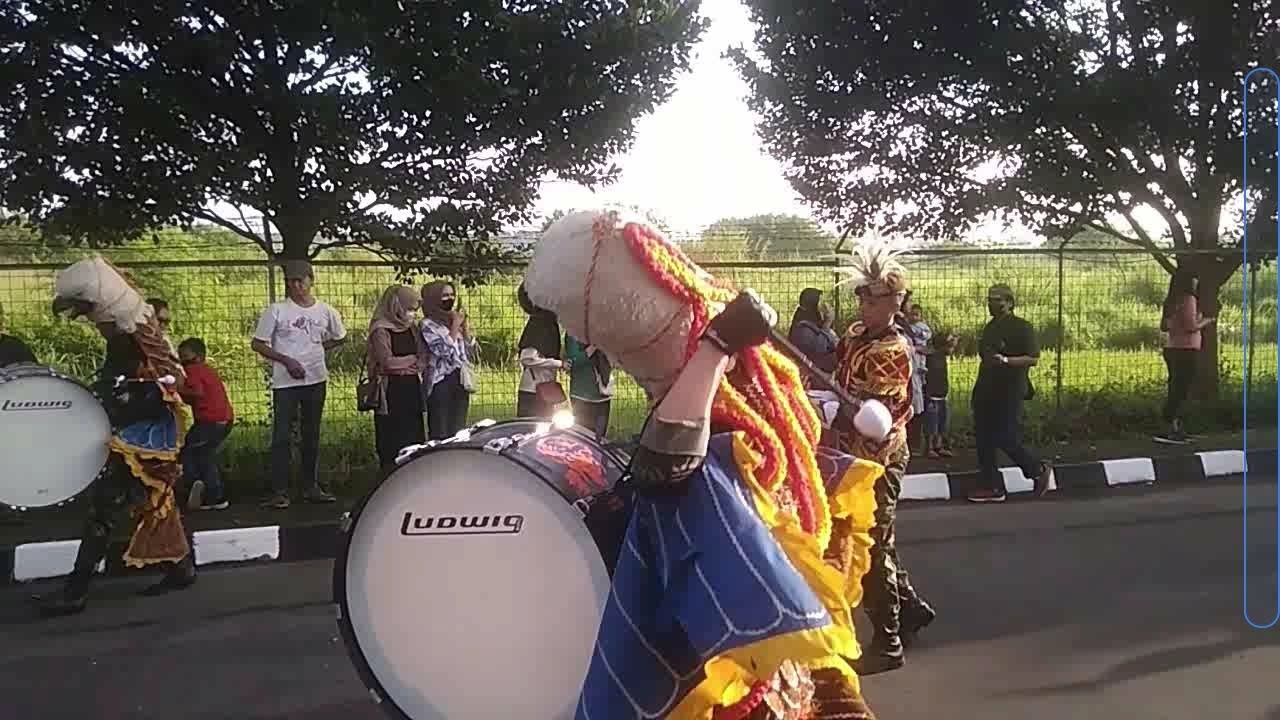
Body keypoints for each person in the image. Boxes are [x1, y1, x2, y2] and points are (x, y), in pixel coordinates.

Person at [526, 209, 883, 720]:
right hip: (748, 620)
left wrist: (716, 349)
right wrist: (715, 350)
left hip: (748, 636)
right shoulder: (714, 381)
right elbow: (666, 460)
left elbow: (666, 464)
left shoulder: (727, 394)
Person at [37, 256, 196, 616]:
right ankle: (181, 567)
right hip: (138, 434)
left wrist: (119, 397)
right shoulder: (129, 337)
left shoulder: (132, 340)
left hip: (142, 437)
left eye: (84, 308)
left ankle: (75, 592)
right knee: (151, 502)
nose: (86, 319)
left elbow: (171, 384)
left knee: (104, 508)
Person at [832, 240, 936, 676]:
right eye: (860, 296)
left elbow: (871, 415)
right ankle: (910, 610)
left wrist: (830, 407)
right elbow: (838, 374)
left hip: (880, 459)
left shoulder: (891, 351)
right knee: (879, 540)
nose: (862, 305)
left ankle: (889, 640)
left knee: (873, 543)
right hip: (852, 456)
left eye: (870, 299)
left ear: (893, 303)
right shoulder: (857, 336)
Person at [251, 260, 345, 509]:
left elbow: (340, 337)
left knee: (311, 433)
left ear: (310, 281)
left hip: (315, 378)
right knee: (282, 435)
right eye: (291, 282)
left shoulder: (326, 311)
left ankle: (310, 486)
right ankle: (280, 490)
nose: (296, 286)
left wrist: (317, 351)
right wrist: (286, 360)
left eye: (300, 281)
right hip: (285, 382)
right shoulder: (277, 310)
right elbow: (258, 343)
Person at [967, 283, 1053, 503]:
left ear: (1010, 302)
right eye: (990, 299)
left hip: (1010, 390)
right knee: (984, 439)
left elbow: (1033, 358)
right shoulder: (990, 327)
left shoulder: (1022, 327)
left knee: (1005, 436)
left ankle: (1037, 469)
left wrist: (1006, 361)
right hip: (986, 388)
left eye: (998, 300)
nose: (992, 304)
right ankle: (991, 486)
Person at [367, 285, 428, 469]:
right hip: (390, 391)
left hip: (411, 389)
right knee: (391, 436)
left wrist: (406, 365)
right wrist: (410, 361)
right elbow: (387, 362)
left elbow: (423, 358)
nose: (412, 314)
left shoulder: (412, 329)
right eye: (409, 309)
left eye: (414, 310)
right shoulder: (380, 329)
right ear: (397, 306)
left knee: (413, 434)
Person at [1156, 269, 1215, 444]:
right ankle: (1172, 427)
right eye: (1194, 278)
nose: (1196, 281)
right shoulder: (1189, 299)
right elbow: (1191, 326)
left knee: (1175, 388)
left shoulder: (1171, 301)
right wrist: (1208, 320)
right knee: (1181, 390)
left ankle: (1172, 427)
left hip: (1172, 348)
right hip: (1186, 350)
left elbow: (1165, 326)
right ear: (1188, 282)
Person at [177, 337, 235, 511]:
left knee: (190, 452)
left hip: (209, 421)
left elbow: (197, 393)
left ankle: (196, 483)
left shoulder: (193, 371)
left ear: (199, 356)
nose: (183, 360)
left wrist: (178, 387)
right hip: (224, 419)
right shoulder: (207, 370)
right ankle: (214, 495)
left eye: (186, 356)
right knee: (205, 455)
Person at [420, 281, 476, 440]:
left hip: (460, 379)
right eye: (445, 295)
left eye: (452, 295)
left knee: (458, 429)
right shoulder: (427, 324)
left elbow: (468, 351)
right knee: (440, 429)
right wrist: (454, 327)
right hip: (440, 381)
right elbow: (443, 350)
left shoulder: (453, 319)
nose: (449, 299)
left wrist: (465, 330)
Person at [515, 283, 563, 419]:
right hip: (533, 390)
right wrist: (558, 364)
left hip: (545, 388)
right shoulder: (539, 324)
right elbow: (527, 358)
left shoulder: (548, 323)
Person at [563, 333, 613, 437]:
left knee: (600, 438)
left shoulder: (603, 331)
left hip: (603, 394)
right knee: (584, 437)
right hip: (582, 395)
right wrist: (594, 346)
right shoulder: (573, 334)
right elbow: (575, 360)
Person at [788, 287, 839, 375]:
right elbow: (819, 351)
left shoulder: (811, 321)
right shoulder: (802, 329)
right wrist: (827, 324)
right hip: (813, 374)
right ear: (813, 304)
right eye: (822, 304)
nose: (826, 307)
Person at [923, 332, 957, 459]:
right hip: (932, 394)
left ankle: (939, 446)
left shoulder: (941, 356)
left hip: (942, 393)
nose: (952, 350)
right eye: (950, 347)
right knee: (931, 422)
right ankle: (930, 447)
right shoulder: (931, 356)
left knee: (942, 421)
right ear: (942, 346)